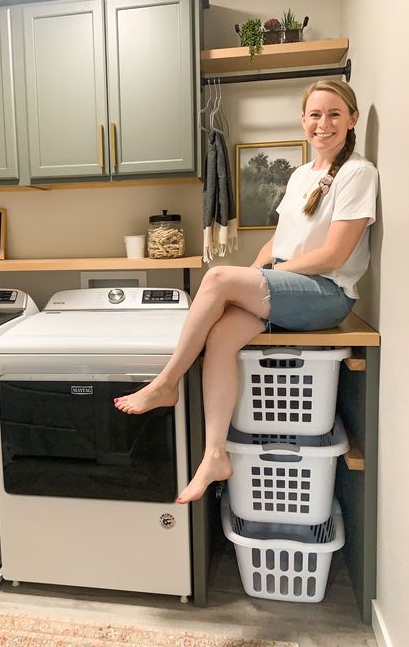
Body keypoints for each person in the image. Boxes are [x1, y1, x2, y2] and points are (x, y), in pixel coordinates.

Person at [114, 79, 378, 504]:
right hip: (292, 287)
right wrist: (257, 274)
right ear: (303, 121)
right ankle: (215, 454)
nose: (323, 124)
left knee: (217, 278)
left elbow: (335, 254)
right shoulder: (301, 175)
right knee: (219, 337)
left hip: (327, 295)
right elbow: (278, 241)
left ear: (352, 119)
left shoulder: (358, 173)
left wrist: (262, 276)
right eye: (315, 114)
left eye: (333, 114)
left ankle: (166, 382)